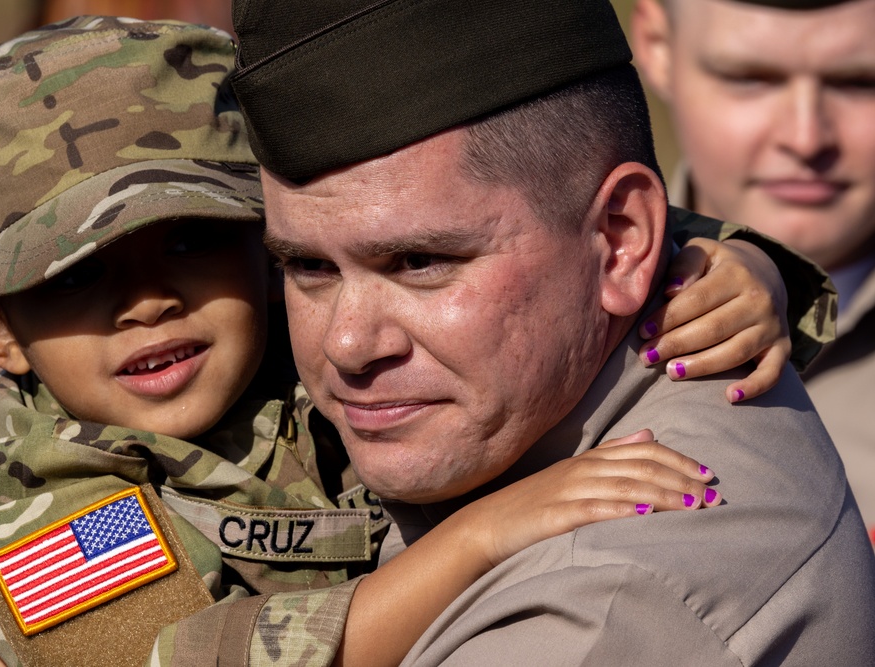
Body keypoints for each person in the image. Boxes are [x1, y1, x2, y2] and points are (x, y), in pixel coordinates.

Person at [0, 16, 769, 667]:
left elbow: (544, 233)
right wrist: (481, 539)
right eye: (75, 275)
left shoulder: (295, 332)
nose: (149, 300)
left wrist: (732, 268)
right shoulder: (32, 492)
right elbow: (177, 660)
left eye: (193, 240)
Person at [217, 0, 875, 663]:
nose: (348, 344)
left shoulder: (601, 606)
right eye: (305, 266)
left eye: (420, 262)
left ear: (621, 242)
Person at [629, 0, 875, 543]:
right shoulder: (559, 299)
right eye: (750, 78)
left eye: (859, 82)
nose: (807, 138)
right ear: (656, 45)